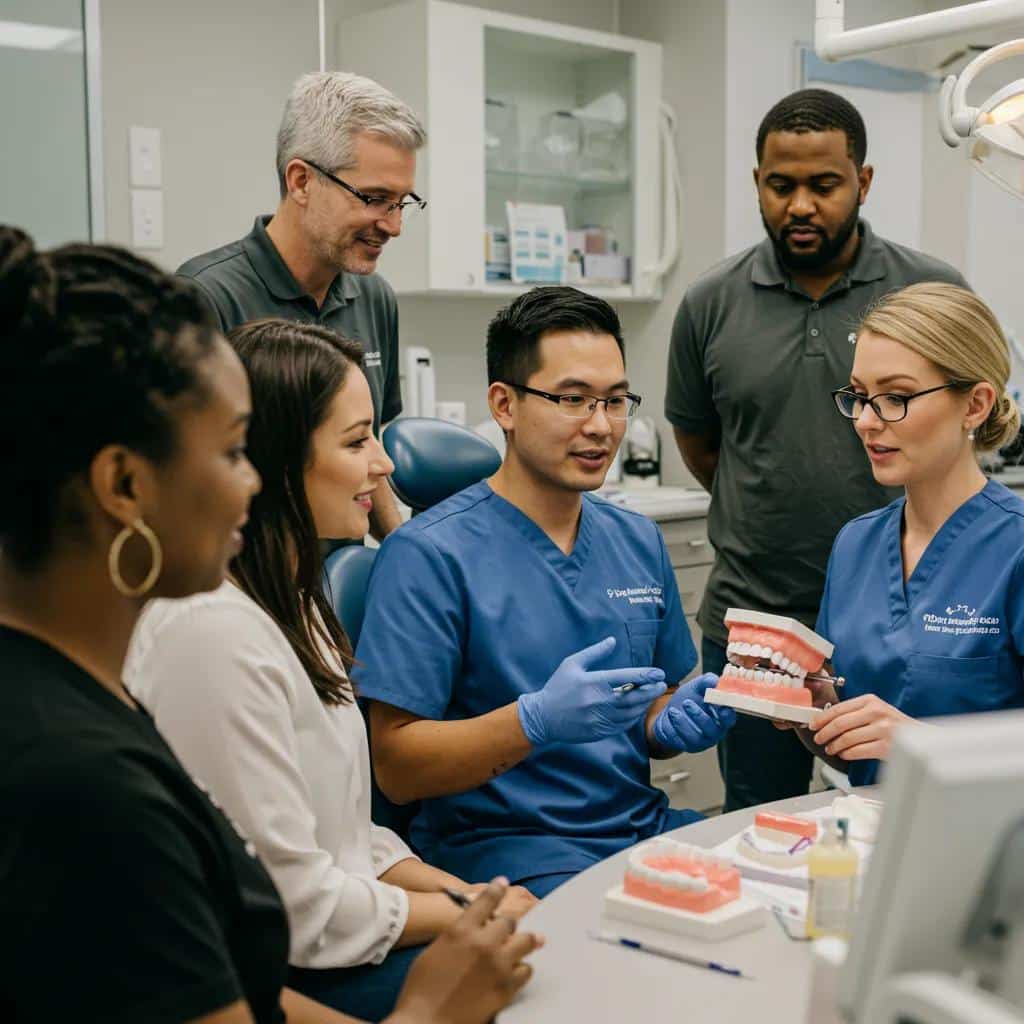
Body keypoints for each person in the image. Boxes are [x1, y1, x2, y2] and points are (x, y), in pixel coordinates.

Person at [0, 226, 540, 1024]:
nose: (252, 483)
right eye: (230, 454)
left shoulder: (87, 697)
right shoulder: (86, 780)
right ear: (123, 483)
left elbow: (240, 980)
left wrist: (463, 908)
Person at [125, 318, 536, 1022]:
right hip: (283, 967)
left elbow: (347, 838)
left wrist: (475, 901)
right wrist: (452, 915)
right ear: (276, 460)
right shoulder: (214, 635)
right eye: (356, 442)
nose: (385, 464)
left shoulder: (299, 601)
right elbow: (298, 906)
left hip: (337, 929)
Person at [354, 286, 736, 900]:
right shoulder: (428, 555)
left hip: (639, 831)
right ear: (504, 405)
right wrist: (532, 723)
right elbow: (396, 768)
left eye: (616, 401)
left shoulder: (636, 540)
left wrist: (673, 723)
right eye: (572, 400)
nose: (600, 426)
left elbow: (651, 708)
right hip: (507, 851)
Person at [665, 87, 969, 811]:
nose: (801, 205)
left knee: (897, 814)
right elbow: (703, 446)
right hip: (757, 625)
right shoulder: (711, 303)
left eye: (824, 185)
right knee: (758, 817)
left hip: (896, 625)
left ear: (862, 182)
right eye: (781, 185)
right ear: (758, 184)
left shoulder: (927, 291)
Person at [781, 283, 1024, 784]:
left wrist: (921, 746)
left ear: (975, 405)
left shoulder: (1014, 550)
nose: (867, 421)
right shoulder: (856, 545)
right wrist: (814, 710)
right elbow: (855, 757)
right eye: (860, 397)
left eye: (896, 397)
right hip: (871, 839)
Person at [178, 71, 427, 539]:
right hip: (252, 585)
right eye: (375, 199)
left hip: (341, 584)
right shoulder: (204, 298)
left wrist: (402, 553)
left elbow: (369, 460)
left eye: (402, 202)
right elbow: (187, 484)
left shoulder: (374, 298)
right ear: (301, 181)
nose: (393, 226)